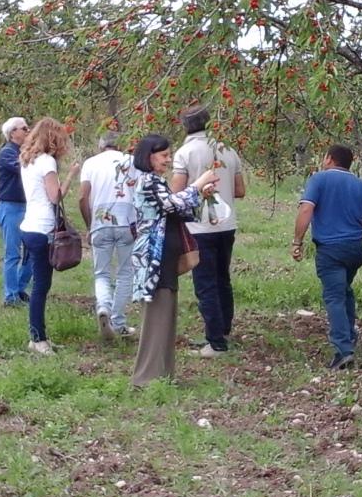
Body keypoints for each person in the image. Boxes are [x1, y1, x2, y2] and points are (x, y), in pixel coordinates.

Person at [129, 134, 219, 387]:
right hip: (154, 260)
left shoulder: (156, 181)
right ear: (149, 156)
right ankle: (147, 378)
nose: (168, 160)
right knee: (157, 317)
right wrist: (198, 184)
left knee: (166, 316)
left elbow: (180, 210)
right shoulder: (148, 181)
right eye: (164, 155)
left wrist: (201, 193)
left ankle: (163, 374)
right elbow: (173, 204)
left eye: (169, 155)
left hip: (164, 260)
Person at [291, 144, 362, 370]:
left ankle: (343, 350)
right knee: (344, 290)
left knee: (334, 297)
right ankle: (350, 334)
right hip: (355, 249)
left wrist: (297, 242)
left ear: (330, 159)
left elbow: (305, 210)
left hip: (330, 250)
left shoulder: (319, 180)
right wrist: (354, 223)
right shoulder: (361, 185)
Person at [170, 104, 246, 358]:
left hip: (198, 226)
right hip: (226, 223)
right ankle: (223, 330)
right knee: (223, 278)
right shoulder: (228, 150)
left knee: (205, 283)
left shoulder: (184, 153)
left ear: (185, 126)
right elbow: (240, 190)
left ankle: (215, 343)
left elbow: (177, 193)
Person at [18, 118, 80, 354]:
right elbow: (55, 196)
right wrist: (72, 175)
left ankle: (38, 335)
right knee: (41, 286)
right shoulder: (47, 162)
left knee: (39, 284)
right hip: (43, 228)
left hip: (28, 225)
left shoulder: (27, 160)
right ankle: (37, 338)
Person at [79, 130, 141, 341]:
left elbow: (82, 197)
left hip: (100, 221)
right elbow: (140, 193)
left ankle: (103, 307)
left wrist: (90, 226)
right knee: (125, 272)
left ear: (100, 145)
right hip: (126, 221)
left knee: (102, 273)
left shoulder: (90, 163)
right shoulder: (131, 161)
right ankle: (119, 321)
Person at [0, 116, 32, 307]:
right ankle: (10, 297)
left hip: (27, 207)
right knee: (13, 254)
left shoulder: (24, 152)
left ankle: (19, 288)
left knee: (33, 252)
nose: (28, 131)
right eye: (24, 128)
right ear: (12, 133)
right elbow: (24, 168)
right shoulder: (7, 153)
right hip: (11, 208)